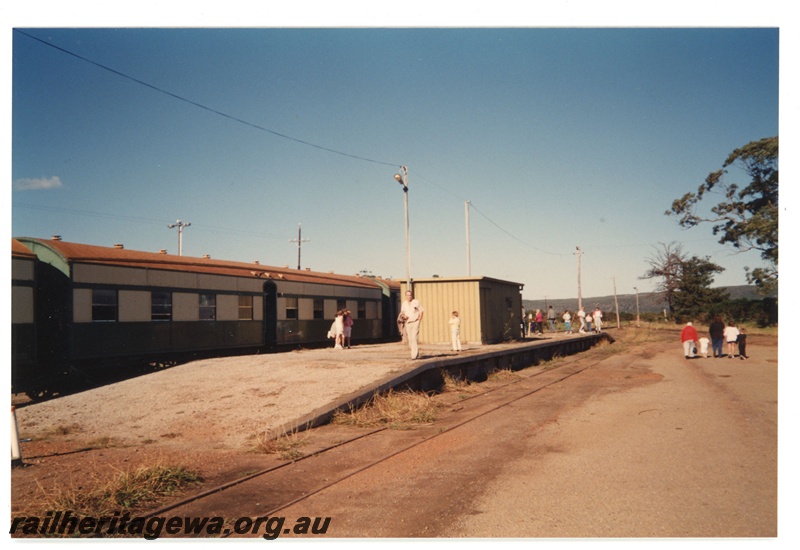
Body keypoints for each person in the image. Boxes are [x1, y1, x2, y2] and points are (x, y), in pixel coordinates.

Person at [400, 290, 424, 359]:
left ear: (412, 295)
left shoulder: (416, 302)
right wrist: (404, 316)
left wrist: (419, 320)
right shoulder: (404, 304)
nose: (409, 296)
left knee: (414, 338)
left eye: (410, 295)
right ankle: (416, 352)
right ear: (406, 296)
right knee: (410, 340)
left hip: (415, 322)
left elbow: (421, 311)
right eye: (407, 295)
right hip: (408, 322)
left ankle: (413, 355)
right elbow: (403, 313)